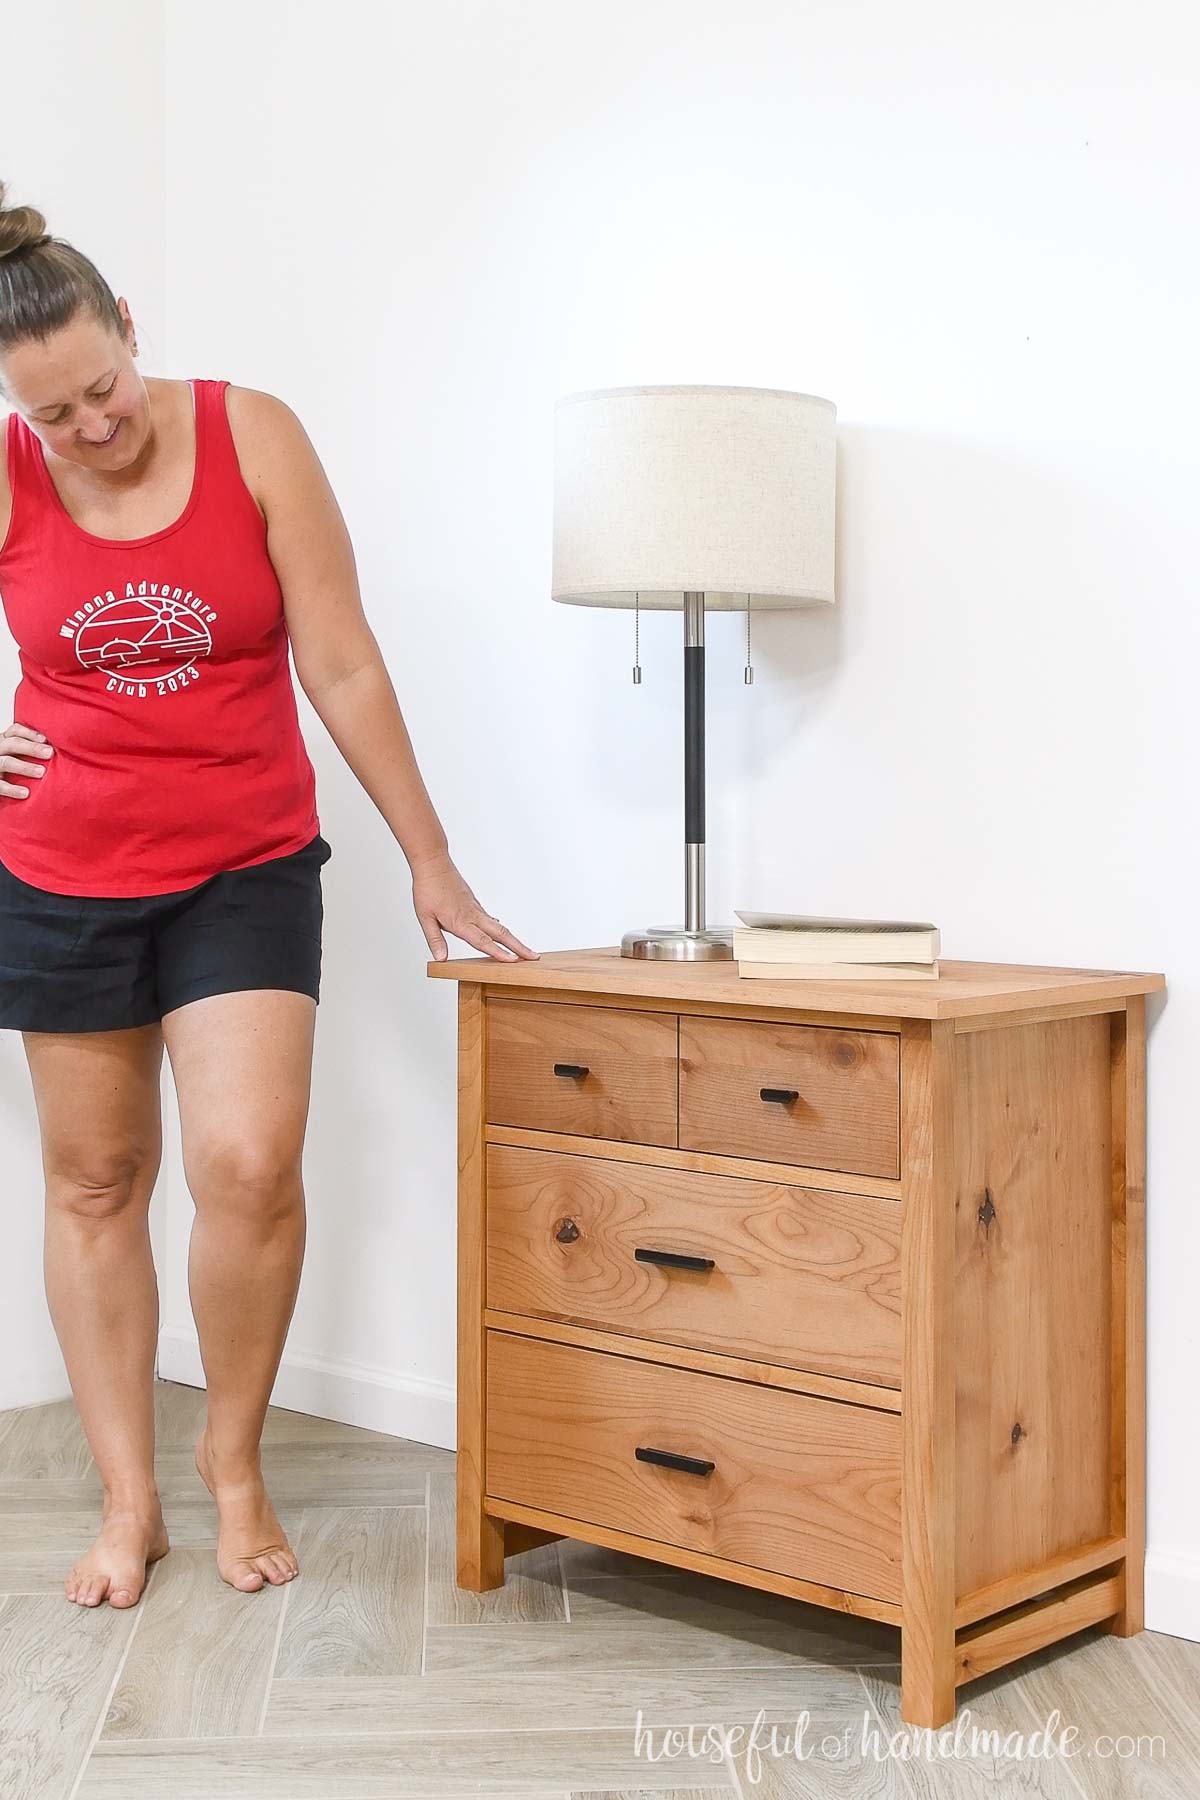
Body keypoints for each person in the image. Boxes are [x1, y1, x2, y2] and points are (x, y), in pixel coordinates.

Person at [0, 182, 538, 1612]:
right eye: (56, 416)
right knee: (93, 1181)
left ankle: (231, 1465)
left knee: (247, 1164)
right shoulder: (7, 471)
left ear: (130, 328)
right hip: (60, 868)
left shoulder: (255, 434)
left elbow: (341, 661)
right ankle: (130, 1503)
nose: (92, 430)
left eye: (103, 392)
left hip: (242, 857)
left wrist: (428, 853)